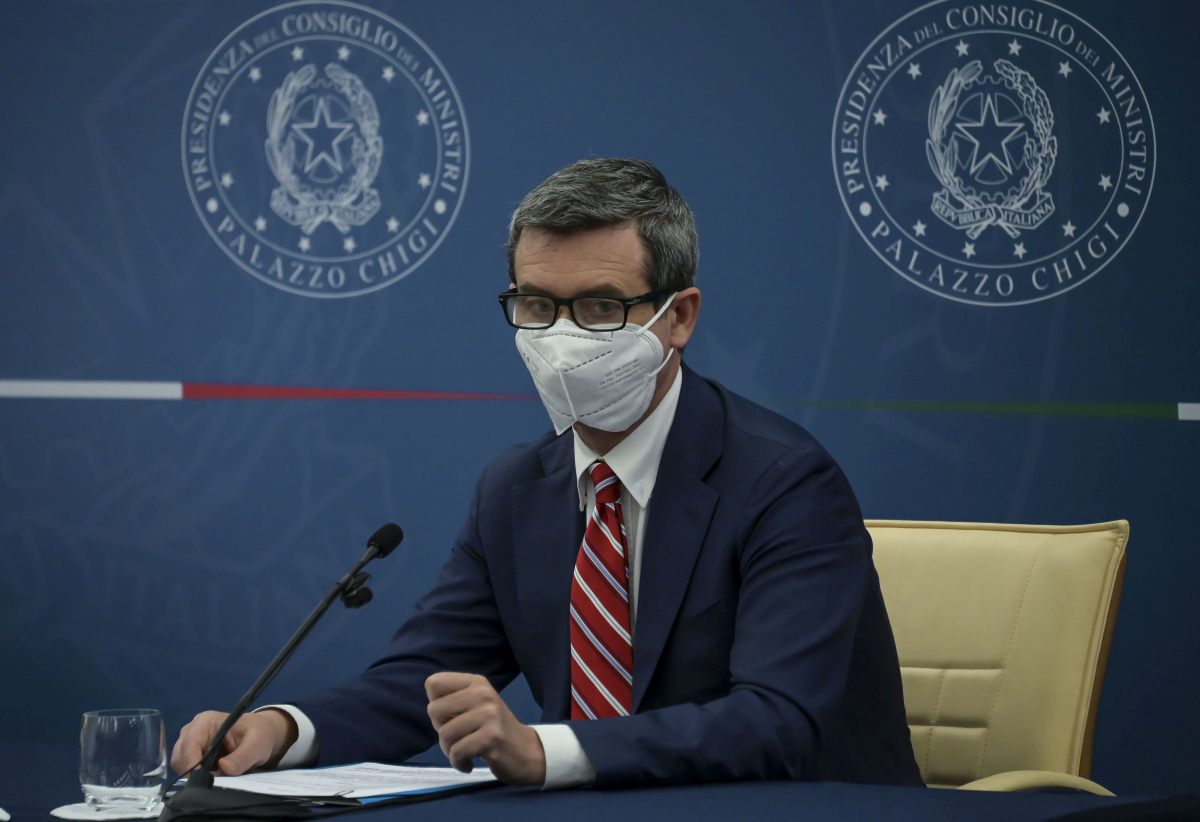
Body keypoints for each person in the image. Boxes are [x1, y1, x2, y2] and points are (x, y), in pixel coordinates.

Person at [171, 158, 922, 789]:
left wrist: (543, 750)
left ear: (679, 317)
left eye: (598, 307)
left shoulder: (785, 481)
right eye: (536, 305)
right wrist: (281, 729)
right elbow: (421, 681)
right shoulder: (515, 490)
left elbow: (776, 722)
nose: (561, 339)